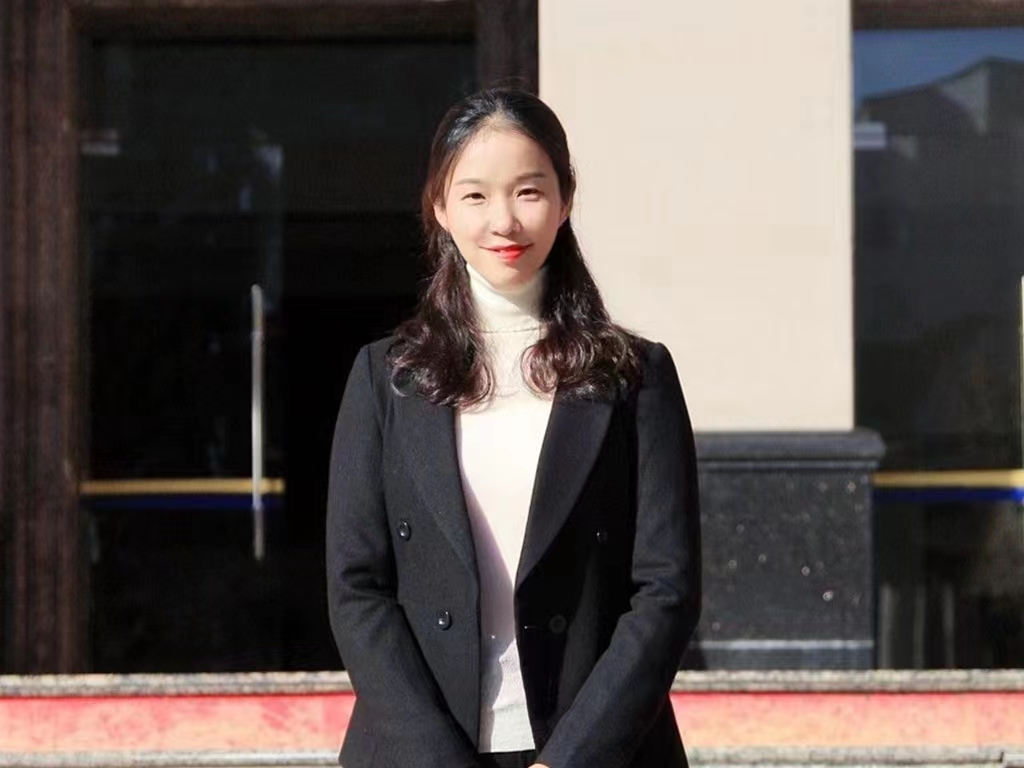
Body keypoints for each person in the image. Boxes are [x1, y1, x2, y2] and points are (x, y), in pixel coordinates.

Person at [326, 87, 701, 768]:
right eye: (475, 195)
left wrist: (571, 760)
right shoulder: (387, 378)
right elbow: (357, 590)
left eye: (529, 191)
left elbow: (665, 591)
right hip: (420, 752)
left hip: (596, 751)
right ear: (440, 208)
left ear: (565, 199)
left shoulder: (633, 375)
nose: (504, 220)